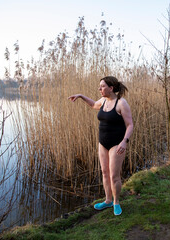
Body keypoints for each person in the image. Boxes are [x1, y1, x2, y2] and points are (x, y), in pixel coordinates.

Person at [68, 76, 133, 216]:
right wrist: (80, 96)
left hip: (117, 144)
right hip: (102, 143)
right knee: (104, 172)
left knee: (114, 175)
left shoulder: (121, 103)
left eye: (102, 86)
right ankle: (108, 200)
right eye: (100, 86)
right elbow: (93, 105)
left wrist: (124, 141)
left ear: (111, 88)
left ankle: (116, 202)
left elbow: (130, 125)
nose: (99, 89)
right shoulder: (103, 101)